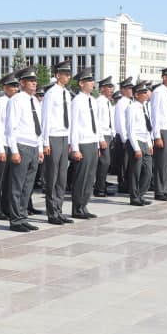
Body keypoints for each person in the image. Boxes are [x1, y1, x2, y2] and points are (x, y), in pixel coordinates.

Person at [4, 68, 43, 232]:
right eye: (30, 80)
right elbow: (10, 127)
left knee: (28, 185)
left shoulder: (34, 100)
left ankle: (23, 216)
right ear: (22, 83)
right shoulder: (16, 100)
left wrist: (40, 148)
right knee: (17, 186)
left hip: (33, 146)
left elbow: (38, 126)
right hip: (21, 146)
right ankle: (15, 220)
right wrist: (14, 150)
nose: (34, 83)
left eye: (35, 81)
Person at [40, 61, 74, 224]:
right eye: (65, 74)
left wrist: (69, 140)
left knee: (62, 176)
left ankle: (59, 210)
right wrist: (45, 142)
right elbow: (45, 118)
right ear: (57, 75)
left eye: (69, 74)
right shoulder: (51, 93)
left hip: (63, 136)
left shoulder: (67, 93)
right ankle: (52, 212)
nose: (68, 76)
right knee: (52, 175)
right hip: (52, 136)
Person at [67, 71, 103, 219]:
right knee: (81, 177)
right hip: (82, 143)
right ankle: (77, 208)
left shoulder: (93, 100)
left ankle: (84, 205)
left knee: (90, 177)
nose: (92, 84)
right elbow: (74, 125)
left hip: (92, 142)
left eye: (93, 81)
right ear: (81, 83)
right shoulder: (77, 101)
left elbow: (97, 123)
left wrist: (98, 143)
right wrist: (75, 148)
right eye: (89, 81)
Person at [0, 73, 18, 220]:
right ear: (5, 87)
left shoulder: (16, 101)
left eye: (16, 86)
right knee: (0, 180)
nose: (15, 88)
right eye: (12, 86)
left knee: (10, 180)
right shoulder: (0, 102)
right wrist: (0, 148)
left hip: (13, 145)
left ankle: (7, 207)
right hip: (4, 145)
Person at [150, 65, 167, 200]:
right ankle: (159, 190)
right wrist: (157, 136)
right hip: (162, 130)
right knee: (161, 162)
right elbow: (154, 115)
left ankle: (165, 189)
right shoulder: (158, 92)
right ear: (164, 77)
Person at [125, 81, 154, 206]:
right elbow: (130, 130)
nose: (145, 94)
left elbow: (147, 127)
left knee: (148, 171)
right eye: (142, 92)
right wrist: (136, 148)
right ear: (136, 95)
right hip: (135, 142)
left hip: (144, 141)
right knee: (135, 172)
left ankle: (141, 194)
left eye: (145, 92)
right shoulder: (131, 108)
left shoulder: (144, 107)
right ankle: (134, 197)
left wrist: (149, 144)